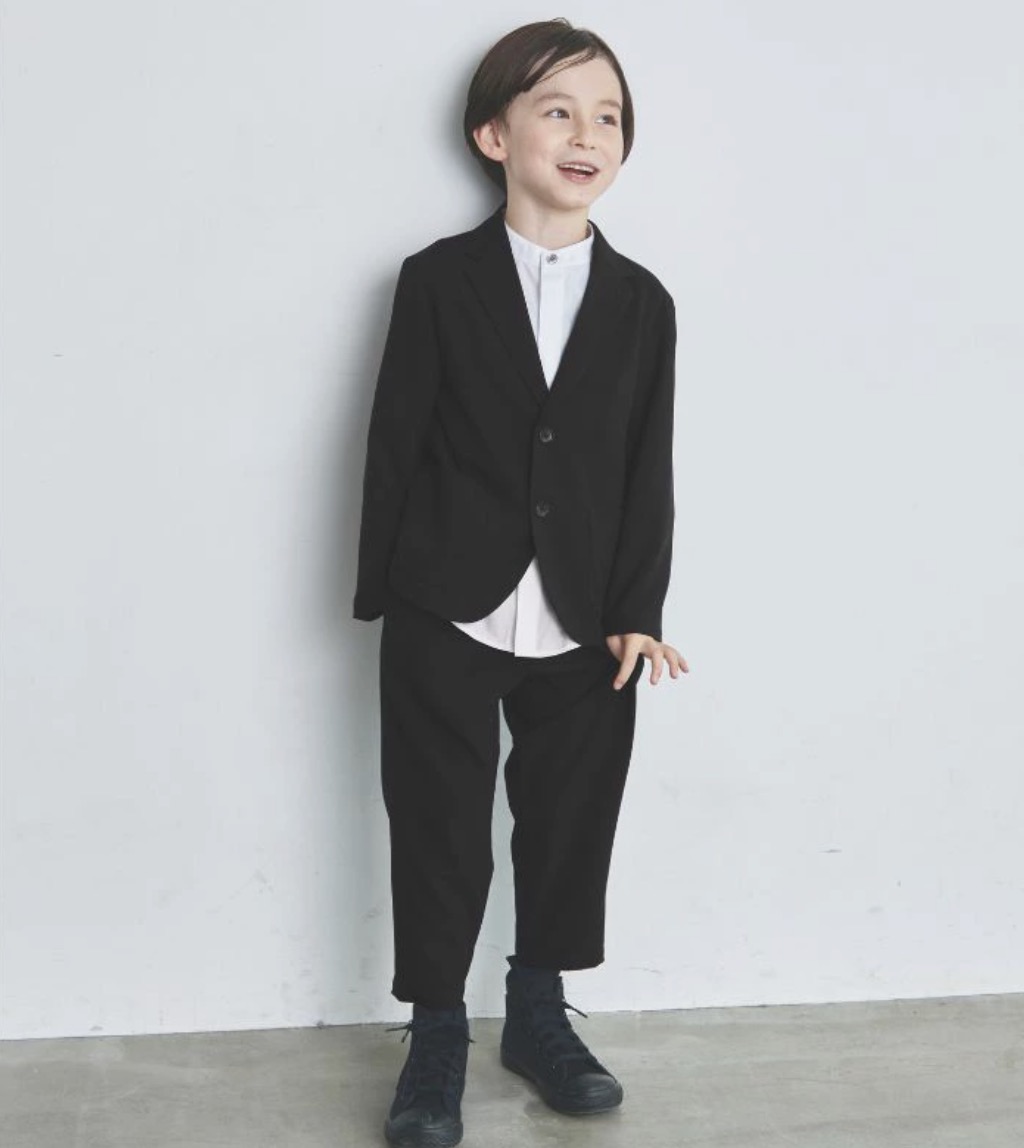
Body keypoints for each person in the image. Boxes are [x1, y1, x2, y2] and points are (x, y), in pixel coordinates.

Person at [352, 18, 689, 1147]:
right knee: (439, 825)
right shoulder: (437, 281)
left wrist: (638, 612)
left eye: (608, 117)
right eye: (558, 110)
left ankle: (537, 1014)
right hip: (445, 602)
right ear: (493, 136)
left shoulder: (642, 303)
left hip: (588, 620)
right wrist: (385, 593)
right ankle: (437, 1032)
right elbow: (394, 439)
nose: (587, 134)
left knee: (569, 821)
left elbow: (647, 467)